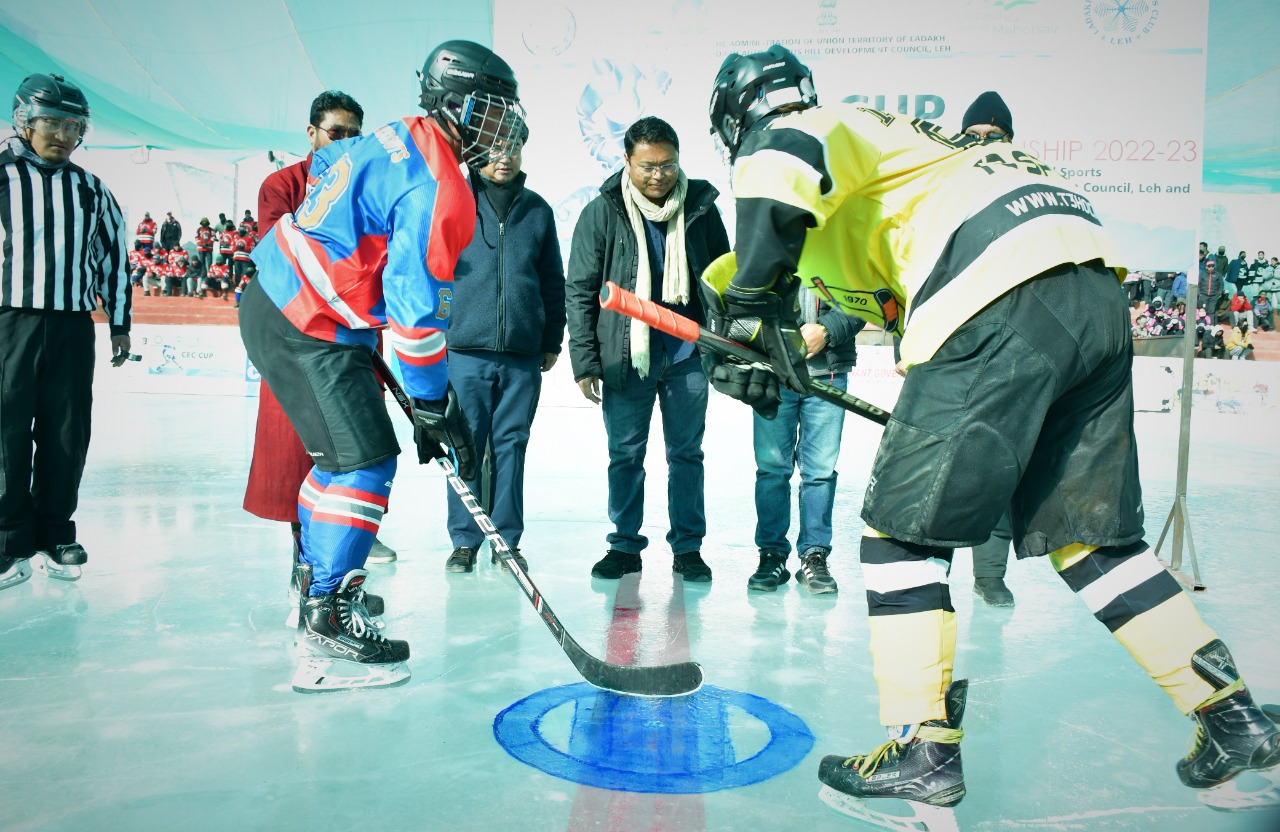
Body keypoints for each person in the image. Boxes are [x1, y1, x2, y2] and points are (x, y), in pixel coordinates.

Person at [705, 44, 1280, 819]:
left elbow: (780, 162)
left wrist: (745, 307)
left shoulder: (798, 132)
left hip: (997, 287)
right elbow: (833, 281)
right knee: (1092, 538)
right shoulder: (905, 156)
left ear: (734, 121)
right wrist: (753, 319)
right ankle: (1234, 720)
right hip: (1088, 283)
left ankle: (921, 752)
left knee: (901, 535)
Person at [239, 40, 523, 692]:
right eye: (495, 108)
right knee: (364, 460)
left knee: (339, 460)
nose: (505, 126)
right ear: (460, 104)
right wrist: (432, 404)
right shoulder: (443, 186)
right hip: (307, 322)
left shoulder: (407, 134)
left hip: (283, 303)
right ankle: (328, 619)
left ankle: (316, 589)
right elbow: (417, 318)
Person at [566, 116, 730, 584]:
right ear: (627, 162)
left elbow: (723, 280)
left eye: (667, 164)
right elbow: (580, 290)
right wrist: (585, 359)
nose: (658, 175)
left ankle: (689, 548)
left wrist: (725, 345)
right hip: (625, 356)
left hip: (686, 358)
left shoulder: (700, 207)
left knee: (686, 455)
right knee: (625, 454)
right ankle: (624, 546)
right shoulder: (603, 210)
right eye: (647, 166)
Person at [242, 90, 402, 569]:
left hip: (356, 334)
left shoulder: (372, 184)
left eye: (356, 134)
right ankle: (308, 563)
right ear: (312, 134)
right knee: (301, 452)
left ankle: (349, 541)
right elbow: (285, 259)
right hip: (302, 336)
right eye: (337, 132)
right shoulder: (282, 185)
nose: (347, 142)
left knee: (361, 447)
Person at [0, 73, 132, 593]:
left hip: (73, 326)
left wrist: (119, 322)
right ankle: (9, 538)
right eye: (50, 122)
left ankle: (56, 533)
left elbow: (113, 257)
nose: (60, 134)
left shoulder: (91, 189)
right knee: (6, 430)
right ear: (24, 122)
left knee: (66, 431)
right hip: (8, 320)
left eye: (71, 125)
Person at [444, 129, 565, 575]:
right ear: (477, 153)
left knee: (512, 446)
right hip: (464, 351)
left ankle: (506, 540)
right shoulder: (455, 202)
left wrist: (551, 339)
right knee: (465, 447)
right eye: (495, 148)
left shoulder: (537, 209)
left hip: (521, 353)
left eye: (512, 148)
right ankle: (464, 540)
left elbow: (553, 281)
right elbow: (435, 270)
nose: (504, 157)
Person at [745, 279, 863, 595]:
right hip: (773, 373)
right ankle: (772, 555)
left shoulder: (841, 240)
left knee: (820, 472)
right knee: (772, 470)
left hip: (829, 375)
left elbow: (864, 298)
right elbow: (740, 299)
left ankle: (815, 554)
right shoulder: (765, 240)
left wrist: (827, 331)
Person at [959, 91, 1018, 607]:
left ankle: (990, 575)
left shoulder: (1027, 194)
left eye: (993, 138)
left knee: (996, 470)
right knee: (933, 472)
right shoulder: (943, 191)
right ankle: (926, 574)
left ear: (1011, 142)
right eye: (972, 137)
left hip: (1006, 354)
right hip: (947, 356)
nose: (981, 145)